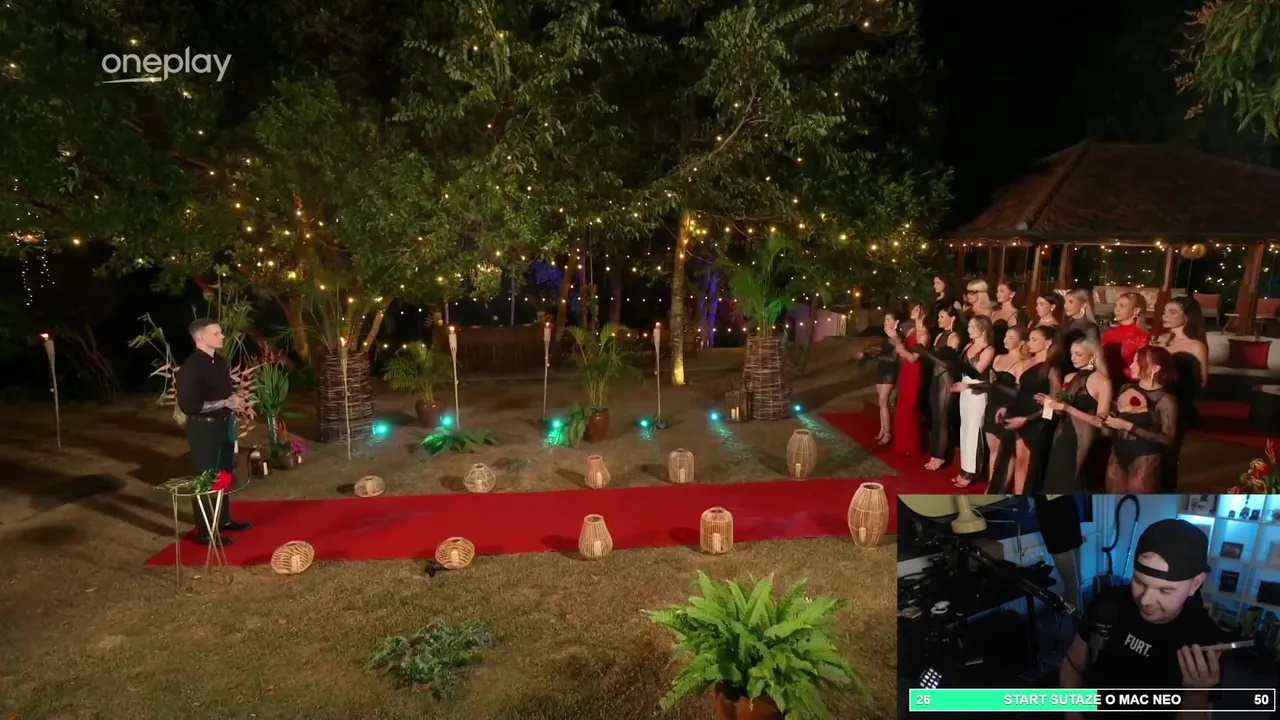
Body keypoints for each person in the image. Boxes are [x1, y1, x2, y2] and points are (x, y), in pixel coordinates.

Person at [1060, 518, 1225, 717]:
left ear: (1196, 584)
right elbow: (1073, 663)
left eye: (1164, 591)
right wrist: (1072, 714)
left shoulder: (1204, 640)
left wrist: (1196, 694)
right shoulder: (1110, 603)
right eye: (1139, 582)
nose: (1145, 600)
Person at [175, 318, 253, 545]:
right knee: (205, 478)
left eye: (221, 332)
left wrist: (235, 400)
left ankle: (223, 520)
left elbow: (224, 392)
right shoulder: (190, 368)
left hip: (224, 425)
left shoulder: (219, 361)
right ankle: (205, 531)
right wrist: (225, 403)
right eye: (216, 333)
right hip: (203, 428)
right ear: (201, 337)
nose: (222, 336)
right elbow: (190, 406)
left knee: (224, 474)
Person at [1037, 338, 1112, 493]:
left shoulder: (1102, 382)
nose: (1073, 358)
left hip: (1083, 437)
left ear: (1092, 356)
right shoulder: (1069, 378)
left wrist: (1066, 407)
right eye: (1071, 354)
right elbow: (1059, 409)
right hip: (1062, 433)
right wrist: (1049, 402)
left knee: (1073, 482)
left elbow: (1101, 421)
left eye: (1078, 354)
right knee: (1054, 479)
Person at [1150, 297, 1209, 492]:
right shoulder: (1159, 339)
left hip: (1179, 405)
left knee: (1169, 456)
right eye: (1165, 311)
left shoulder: (1196, 345)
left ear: (1188, 316)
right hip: (1152, 403)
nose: (1165, 316)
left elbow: (1202, 381)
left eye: (1172, 312)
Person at [1104, 346, 1179, 494]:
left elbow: (1167, 439)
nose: (1131, 366)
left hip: (1145, 456)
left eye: (1138, 362)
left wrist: (1128, 426)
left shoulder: (1166, 401)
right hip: (1117, 452)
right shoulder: (1126, 388)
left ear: (1155, 368)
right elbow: (1112, 416)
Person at [998, 325, 1060, 494]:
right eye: (1029, 339)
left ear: (1048, 343)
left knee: (1029, 465)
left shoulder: (1051, 368)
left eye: (1034, 340)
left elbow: (1054, 403)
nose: (1029, 343)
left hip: (1037, 420)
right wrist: (1006, 407)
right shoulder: (1027, 362)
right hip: (1019, 413)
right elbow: (1020, 392)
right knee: (1019, 460)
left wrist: (1028, 419)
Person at [980, 324, 1028, 491]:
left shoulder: (1022, 363)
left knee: (1005, 453)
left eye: (1011, 337)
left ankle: (998, 488)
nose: (1006, 340)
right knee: (993, 449)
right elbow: (991, 383)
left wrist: (997, 384)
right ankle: (991, 486)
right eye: (1006, 336)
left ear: (1021, 342)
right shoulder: (998, 357)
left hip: (1006, 408)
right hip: (992, 405)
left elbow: (1019, 392)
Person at [950, 316, 995, 488]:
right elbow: (959, 367)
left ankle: (973, 472)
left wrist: (966, 384)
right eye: (969, 326)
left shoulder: (988, 349)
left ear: (983, 329)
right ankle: (964, 468)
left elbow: (977, 371)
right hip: (964, 390)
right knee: (965, 429)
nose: (969, 330)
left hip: (977, 391)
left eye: (973, 326)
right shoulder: (968, 346)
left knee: (975, 430)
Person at [924, 305, 963, 471]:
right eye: (938, 317)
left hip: (946, 379)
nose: (939, 320)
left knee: (942, 419)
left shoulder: (954, 337)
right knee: (935, 418)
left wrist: (926, 353)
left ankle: (940, 456)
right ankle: (934, 454)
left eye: (942, 317)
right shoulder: (940, 335)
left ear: (952, 318)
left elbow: (948, 362)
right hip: (935, 378)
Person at [887, 305, 929, 458]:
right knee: (902, 407)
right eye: (913, 309)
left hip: (914, 372)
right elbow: (902, 353)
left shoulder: (924, 334)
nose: (912, 311)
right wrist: (895, 337)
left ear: (923, 314)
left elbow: (913, 358)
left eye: (917, 310)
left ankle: (911, 446)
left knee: (910, 409)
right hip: (905, 371)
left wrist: (898, 343)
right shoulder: (912, 332)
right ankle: (902, 444)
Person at [1102, 292, 1150, 390]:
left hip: (1128, 385)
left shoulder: (1142, 337)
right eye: (1116, 305)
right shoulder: (1108, 334)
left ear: (1136, 310)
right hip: (1105, 382)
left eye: (1122, 306)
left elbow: (1143, 367)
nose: (1116, 309)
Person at [873, 311, 902, 446]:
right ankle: (882, 429)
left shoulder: (897, 336)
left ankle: (888, 433)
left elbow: (894, 357)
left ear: (896, 322)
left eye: (889, 319)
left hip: (890, 372)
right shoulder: (885, 336)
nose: (886, 322)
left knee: (883, 402)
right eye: (885, 319)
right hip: (881, 370)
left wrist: (877, 356)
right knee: (881, 403)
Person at [1060, 289, 1100, 374]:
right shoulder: (1065, 324)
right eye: (1065, 301)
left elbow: (1094, 356)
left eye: (1070, 302)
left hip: (1078, 372)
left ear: (1083, 305)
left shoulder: (1090, 328)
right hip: (1062, 369)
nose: (1065, 306)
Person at [991, 278, 1020, 353]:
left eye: (1002, 291)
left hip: (1004, 351)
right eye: (997, 291)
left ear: (1012, 294)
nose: (998, 294)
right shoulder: (994, 312)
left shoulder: (1015, 314)